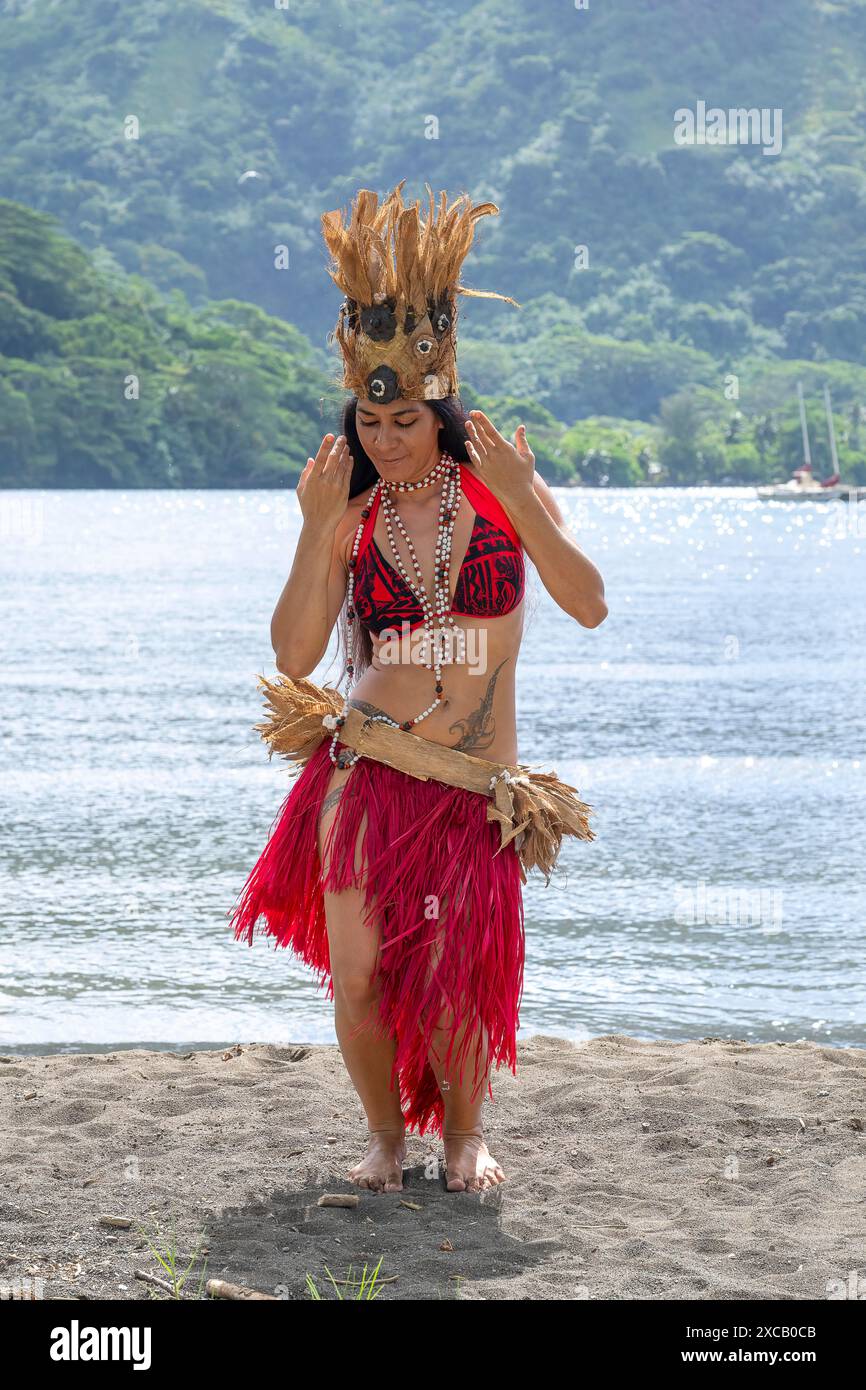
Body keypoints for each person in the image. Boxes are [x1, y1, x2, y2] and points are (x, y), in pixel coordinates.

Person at [229, 182, 607, 1194]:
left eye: (403, 418)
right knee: (356, 976)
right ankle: (385, 1142)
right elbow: (296, 654)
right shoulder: (345, 512)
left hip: (467, 783)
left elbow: (588, 602)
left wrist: (528, 502)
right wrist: (315, 535)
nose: (386, 437)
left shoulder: (495, 487)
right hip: (365, 770)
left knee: (450, 984)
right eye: (370, 417)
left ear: (439, 411)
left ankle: (463, 1139)